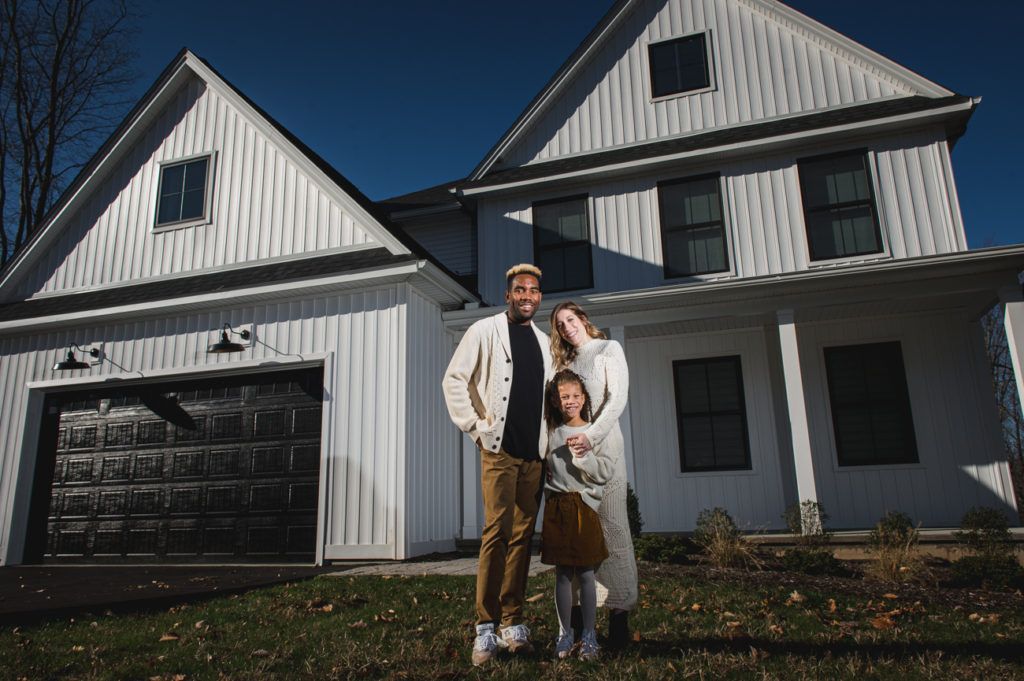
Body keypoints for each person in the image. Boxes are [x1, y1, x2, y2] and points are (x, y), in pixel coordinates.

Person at [442, 263, 553, 666]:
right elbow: (454, 379)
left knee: (524, 538)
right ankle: (485, 628)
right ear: (508, 295)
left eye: (534, 291)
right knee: (496, 533)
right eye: (520, 290)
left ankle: (513, 622)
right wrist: (475, 426)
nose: (527, 296)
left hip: (533, 456)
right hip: (500, 452)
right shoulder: (484, 331)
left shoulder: (544, 342)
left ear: (539, 297)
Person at [549, 300, 637, 650]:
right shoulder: (564, 363)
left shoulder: (607, 348)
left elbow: (617, 399)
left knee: (613, 532)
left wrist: (592, 436)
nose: (567, 326)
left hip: (604, 448)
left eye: (570, 319)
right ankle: (576, 626)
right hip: (573, 454)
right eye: (560, 324)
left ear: (583, 319)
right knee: (575, 537)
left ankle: (619, 615)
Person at [541, 369, 615, 661]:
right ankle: (564, 634)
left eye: (574, 396)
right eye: (563, 397)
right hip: (558, 508)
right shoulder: (551, 433)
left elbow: (603, 474)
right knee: (562, 574)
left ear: (584, 399)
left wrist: (584, 455)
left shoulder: (594, 433)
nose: (570, 401)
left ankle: (589, 636)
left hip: (584, 507)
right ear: (557, 402)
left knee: (585, 574)